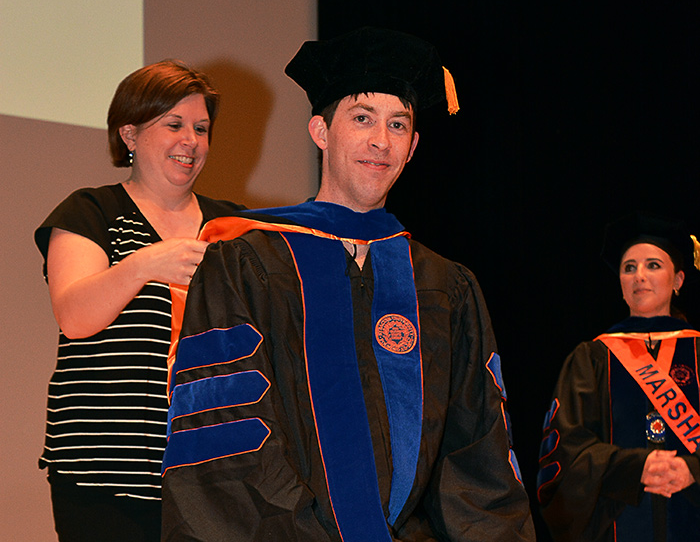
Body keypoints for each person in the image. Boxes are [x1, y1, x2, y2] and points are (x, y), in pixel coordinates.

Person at [161, 27, 535, 541]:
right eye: (362, 119)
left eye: (398, 124)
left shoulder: (446, 287)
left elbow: (477, 458)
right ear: (321, 131)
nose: (381, 141)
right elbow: (226, 435)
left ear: (413, 146)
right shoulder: (246, 261)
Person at [34, 60, 245, 541]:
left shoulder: (232, 227)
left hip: (210, 471)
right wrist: (144, 264)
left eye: (201, 128)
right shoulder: (91, 211)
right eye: (173, 125)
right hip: (102, 474)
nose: (189, 141)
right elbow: (74, 315)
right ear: (129, 135)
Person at [537, 212, 700, 542]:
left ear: (678, 279)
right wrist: (633, 468)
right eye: (629, 268)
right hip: (614, 525)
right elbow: (565, 453)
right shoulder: (592, 357)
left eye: (653, 265)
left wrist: (693, 470)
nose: (639, 276)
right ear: (621, 284)